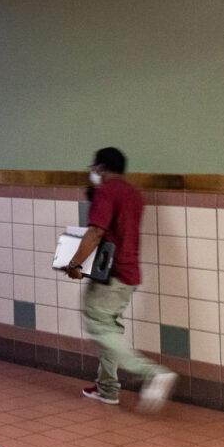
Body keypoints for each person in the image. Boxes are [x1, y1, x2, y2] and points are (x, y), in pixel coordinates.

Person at [65, 147, 176, 411]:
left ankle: (154, 373)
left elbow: (95, 232)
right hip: (129, 273)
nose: (93, 173)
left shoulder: (107, 192)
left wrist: (74, 263)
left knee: (98, 325)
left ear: (101, 168)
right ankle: (107, 389)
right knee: (110, 328)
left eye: (94, 168)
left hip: (111, 275)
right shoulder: (133, 193)